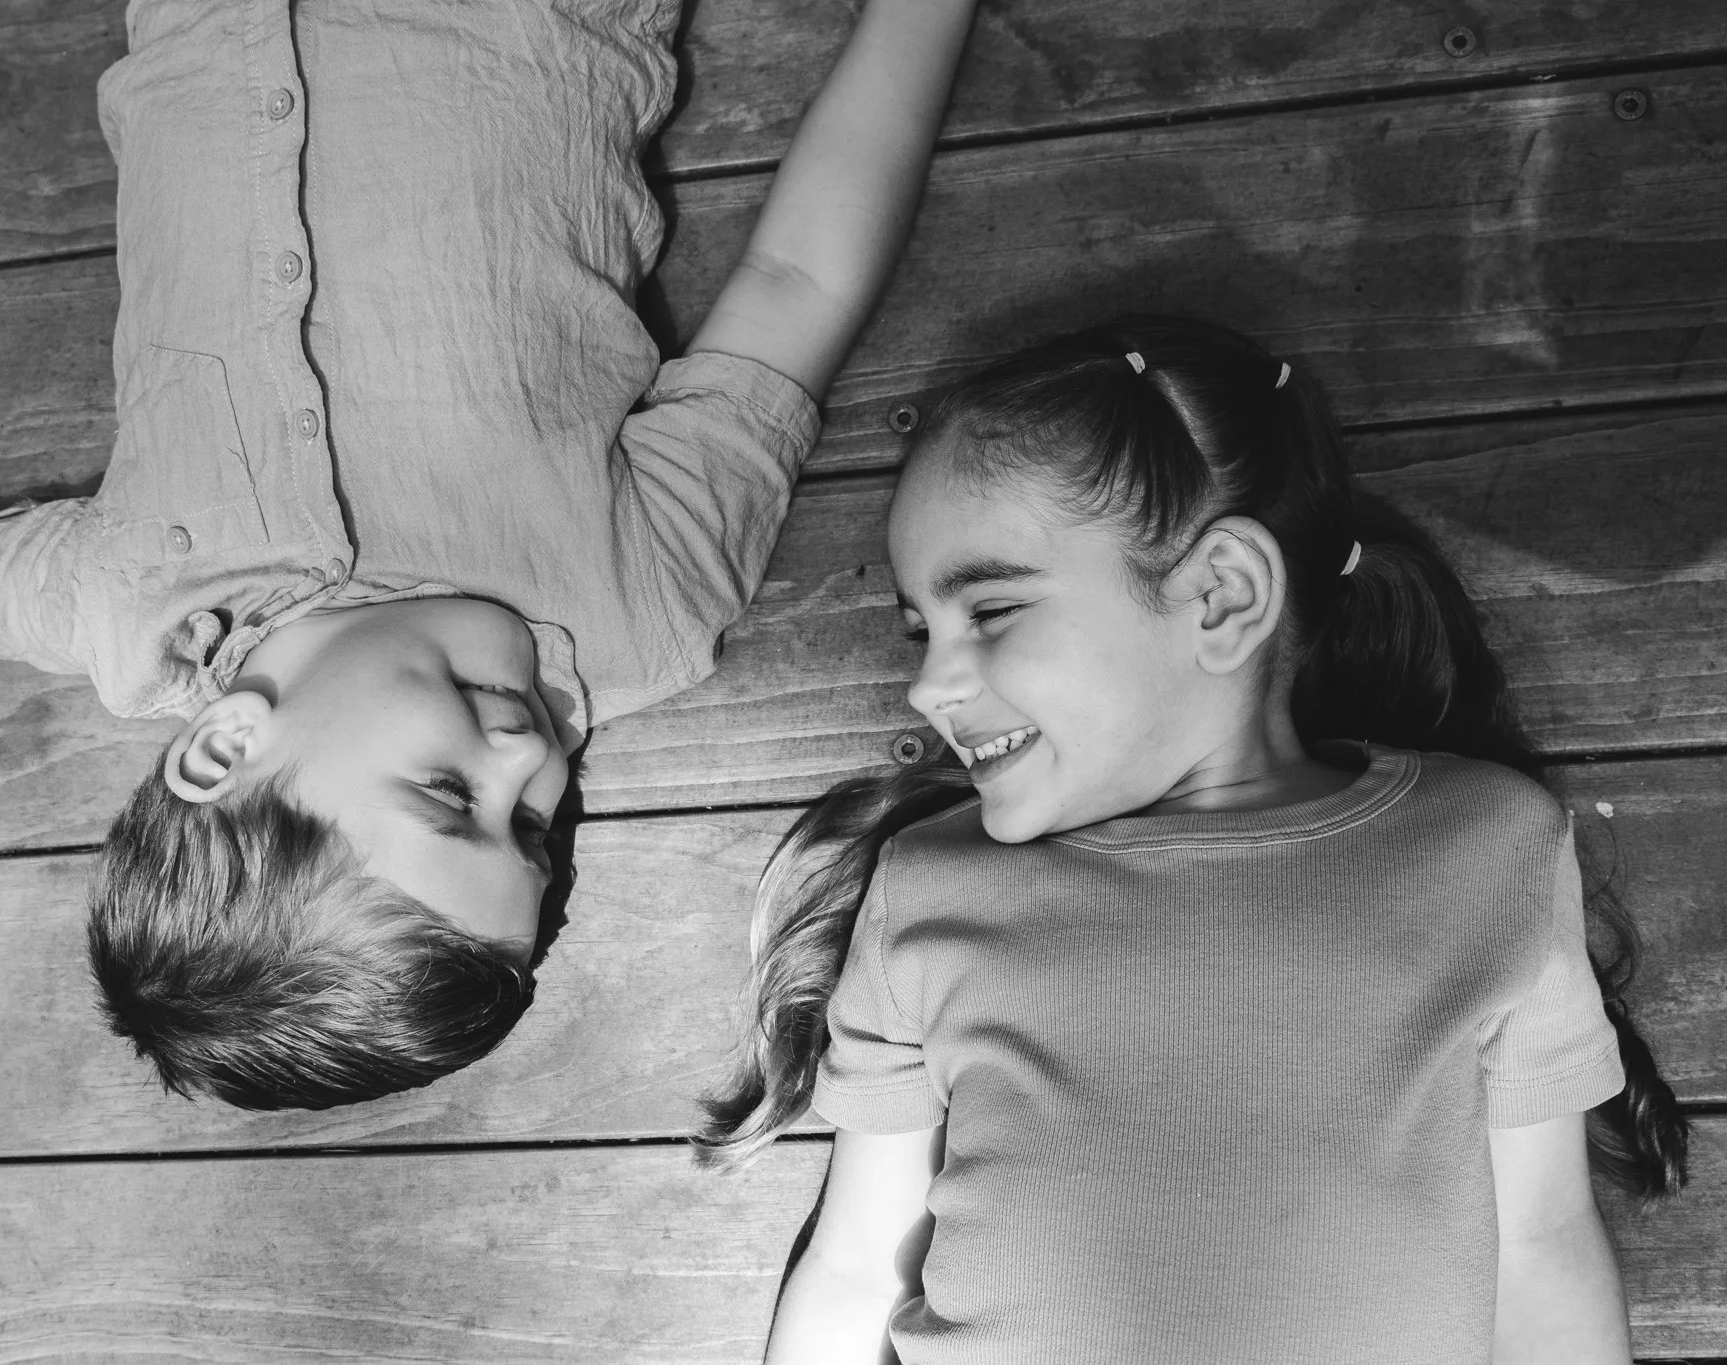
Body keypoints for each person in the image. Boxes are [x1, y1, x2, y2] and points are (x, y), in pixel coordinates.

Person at [0, 0, 981, 1108]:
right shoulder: (639, 610)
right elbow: (801, 284)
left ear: (225, 748)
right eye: (537, 830)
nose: (531, 757)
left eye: (444, 796)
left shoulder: (142, 609)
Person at [694, 316, 1689, 1362]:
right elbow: (858, 1266)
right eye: (920, 633)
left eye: (988, 610)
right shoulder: (927, 891)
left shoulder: (1488, 849)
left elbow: (1540, 1245)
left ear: (1221, 594)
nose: (926, 684)